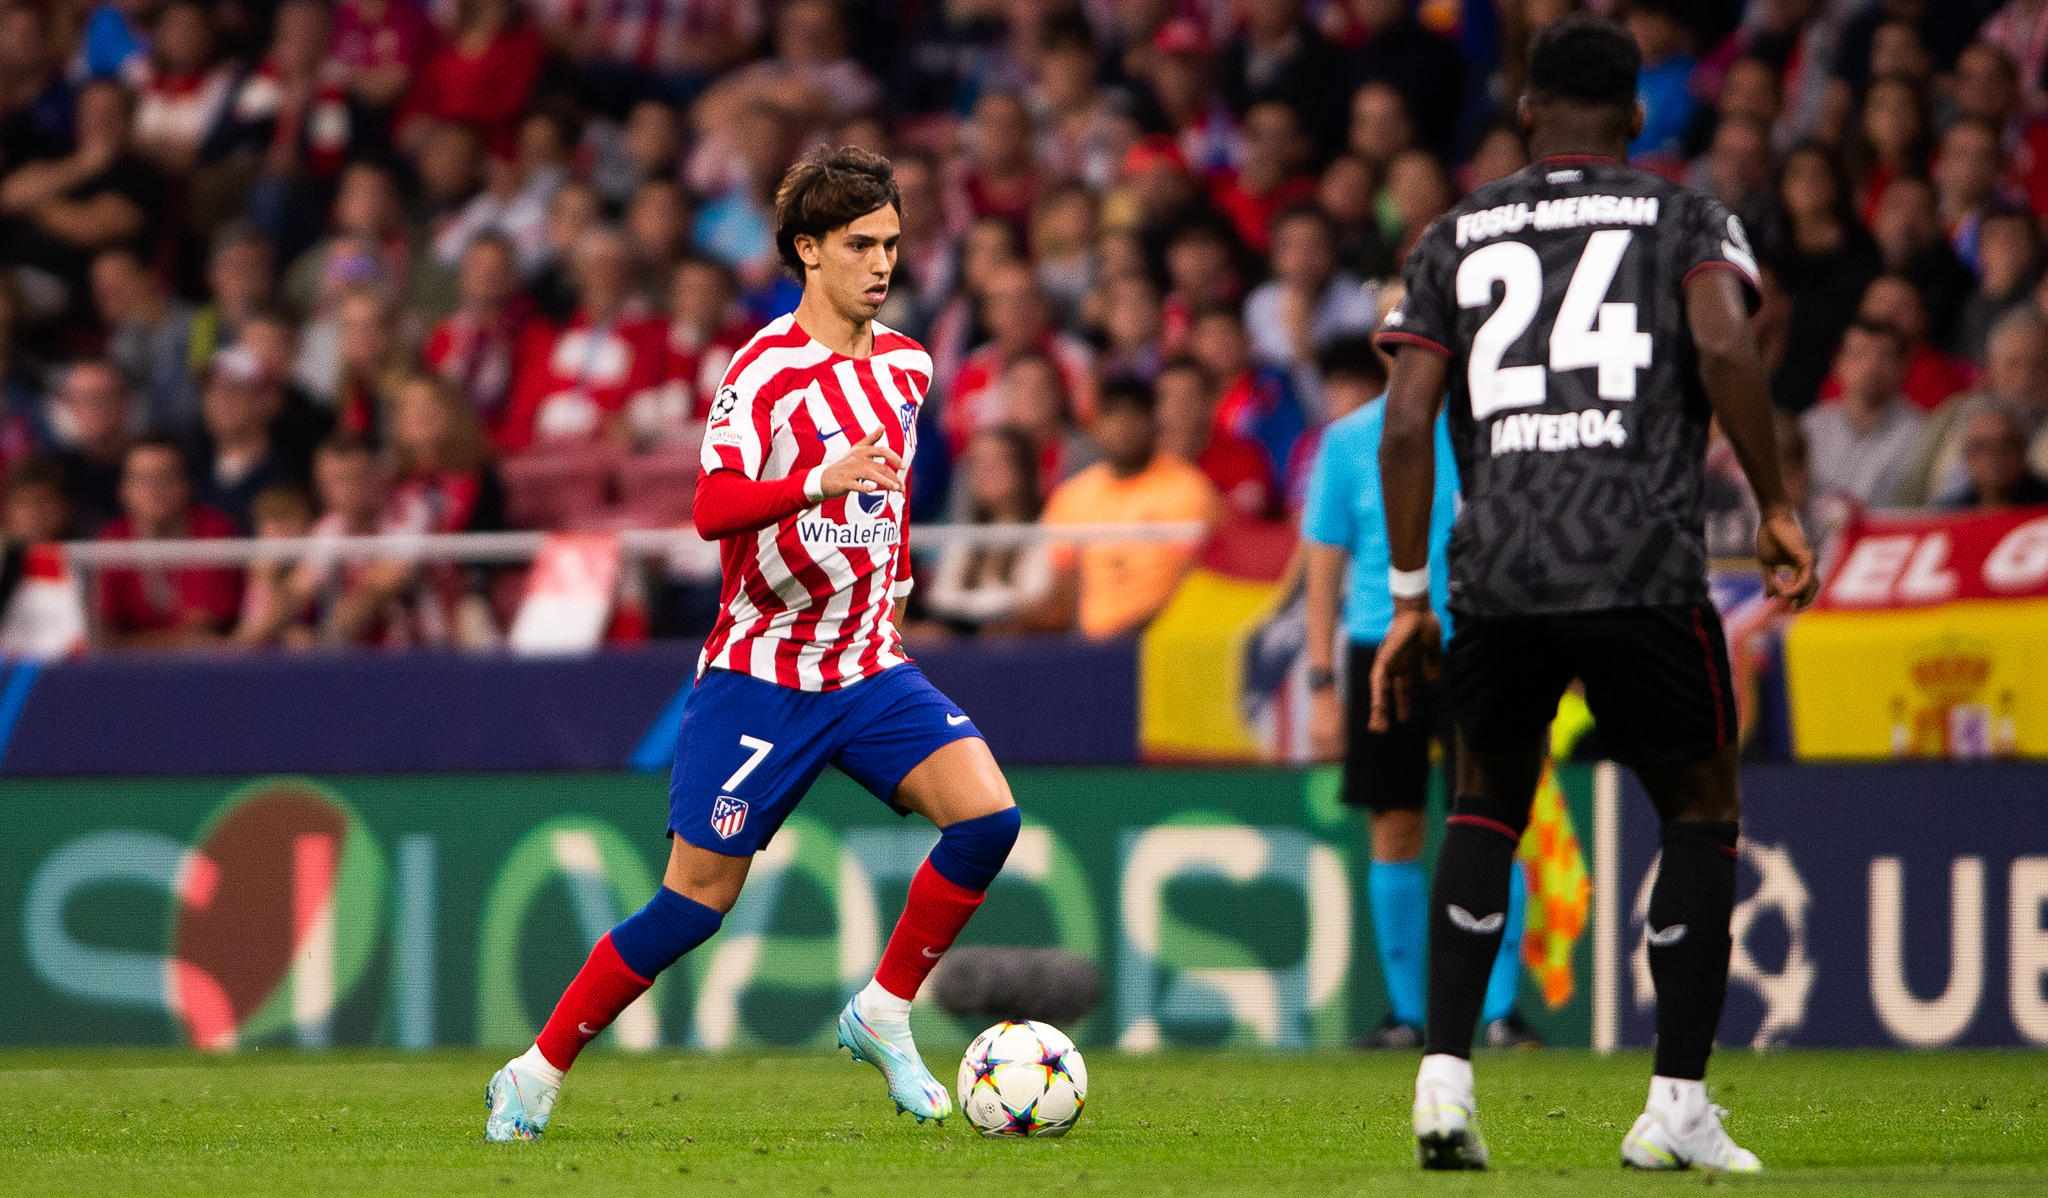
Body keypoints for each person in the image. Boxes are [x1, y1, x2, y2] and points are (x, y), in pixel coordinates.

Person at [484, 146, 1020, 1140]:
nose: (881, 263)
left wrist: (889, 583)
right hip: (760, 671)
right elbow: (710, 506)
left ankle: (883, 1008)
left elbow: (888, 505)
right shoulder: (764, 372)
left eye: (893, 244)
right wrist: (816, 481)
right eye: (860, 245)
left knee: (987, 818)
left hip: (865, 664)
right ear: (806, 251)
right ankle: (536, 1066)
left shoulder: (909, 367)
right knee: (692, 903)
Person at [1371, 16, 1816, 1172]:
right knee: (1699, 807)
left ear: (1524, 113)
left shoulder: (1452, 232)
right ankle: (1673, 1105)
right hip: (1637, 558)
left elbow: (1407, 417)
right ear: (1635, 114)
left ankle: (1442, 1082)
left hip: (1501, 567)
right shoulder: (1683, 217)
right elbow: (1724, 348)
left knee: (1483, 801)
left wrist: (1411, 595)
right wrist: (1771, 501)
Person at [1300, 334, 1537, 1051]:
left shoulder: (1491, 430)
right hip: (1383, 643)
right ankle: (1407, 1014)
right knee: (1395, 825)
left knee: (1492, 817)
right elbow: (1322, 566)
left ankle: (1499, 1012)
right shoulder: (1345, 443)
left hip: (1481, 637)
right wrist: (1319, 682)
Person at [1039, 377, 1224, 639]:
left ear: (1153, 423)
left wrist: (1135, 631)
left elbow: (1195, 588)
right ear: (1095, 425)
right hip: (1091, 649)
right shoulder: (1071, 497)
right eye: (1112, 416)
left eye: (1134, 415)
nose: (1123, 427)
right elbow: (1063, 597)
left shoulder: (1188, 488)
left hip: (1165, 644)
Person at [94, 437, 245, 647]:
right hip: (127, 673)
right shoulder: (112, 538)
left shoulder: (215, 531)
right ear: (123, 490)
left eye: (167, 477)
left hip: (202, 672)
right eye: (144, 479)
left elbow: (200, 633)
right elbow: (102, 630)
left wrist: (126, 644)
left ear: (187, 484)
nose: (155, 489)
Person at [1801, 319, 1924, 506]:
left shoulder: (1922, 434)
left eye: (1885, 356)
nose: (1872, 366)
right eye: (1859, 354)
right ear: (1838, 362)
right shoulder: (1811, 426)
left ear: (1903, 366)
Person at [1945, 401, 2048, 508]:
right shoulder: (1950, 514)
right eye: (1981, 446)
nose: (1993, 455)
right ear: (1966, 455)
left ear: (2023, 448)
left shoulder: (2043, 507)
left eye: (2005, 444)